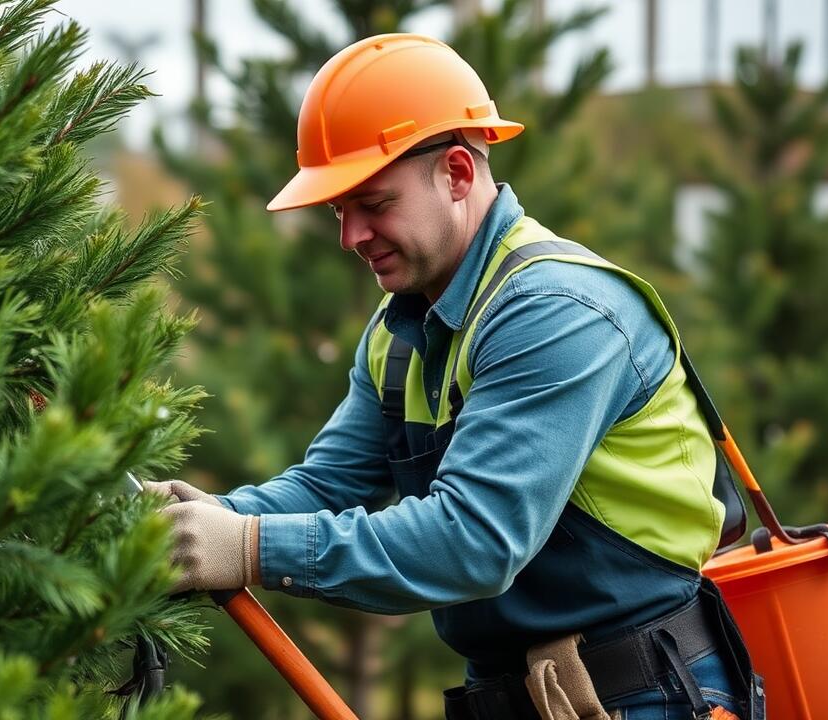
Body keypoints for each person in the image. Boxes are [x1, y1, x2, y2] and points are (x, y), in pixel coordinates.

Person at [146, 34, 763, 720]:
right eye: (337, 211)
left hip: (647, 696)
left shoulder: (555, 313)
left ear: (459, 174)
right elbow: (325, 486)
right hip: (516, 698)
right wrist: (209, 519)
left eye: (374, 202)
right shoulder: (402, 328)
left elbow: (474, 539)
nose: (351, 235)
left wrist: (250, 548)